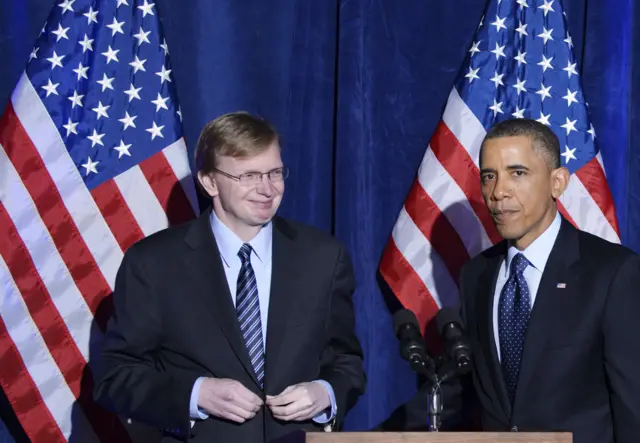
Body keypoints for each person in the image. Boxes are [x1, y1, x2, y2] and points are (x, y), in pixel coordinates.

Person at [93, 112, 366, 443]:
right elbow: (115, 376)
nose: (266, 189)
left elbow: (346, 362)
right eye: (249, 176)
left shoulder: (323, 257)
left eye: (275, 173)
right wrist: (196, 394)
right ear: (210, 182)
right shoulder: (153, 264)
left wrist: (325, 394)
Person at [457, 118, 640, 442]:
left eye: (518, 173)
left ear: (558, 182)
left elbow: (632, 408)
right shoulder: (476, 276)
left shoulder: (612, 273)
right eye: (489, 176)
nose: (498, 192)